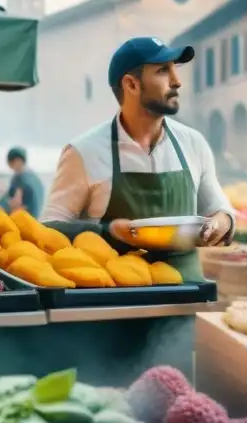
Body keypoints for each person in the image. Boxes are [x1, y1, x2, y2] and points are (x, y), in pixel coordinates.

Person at [41, 36, 235, 281]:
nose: (177, 81)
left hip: (183, 303)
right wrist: (106, 232)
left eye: (175, 70)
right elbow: (48, 230)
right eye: (163, 71)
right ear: (131, 85)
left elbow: (219, 209)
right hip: (117, 306)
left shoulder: (193, 143)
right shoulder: (84, 152)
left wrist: (222, 222)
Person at [3, 146, 44, 218]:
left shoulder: (20, 179)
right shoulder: (35, 179)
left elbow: (16, 203)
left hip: (23, 221)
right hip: (35, 222)